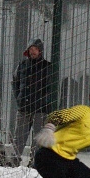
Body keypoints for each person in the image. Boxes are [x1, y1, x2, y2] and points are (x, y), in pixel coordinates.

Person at [10, 39, 55, 167]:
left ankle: (35, 162)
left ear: (40, 51)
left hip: (40, 110)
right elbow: (15, 83)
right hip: (24, 107)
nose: (32, 51)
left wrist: (44, 102)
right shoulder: (22, 65)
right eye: (31, 49)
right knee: (19, 136)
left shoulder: (47, 67)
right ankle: (15, 159)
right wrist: (19, 98)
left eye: (35, 49)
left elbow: (51, 87)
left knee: (38, 139)